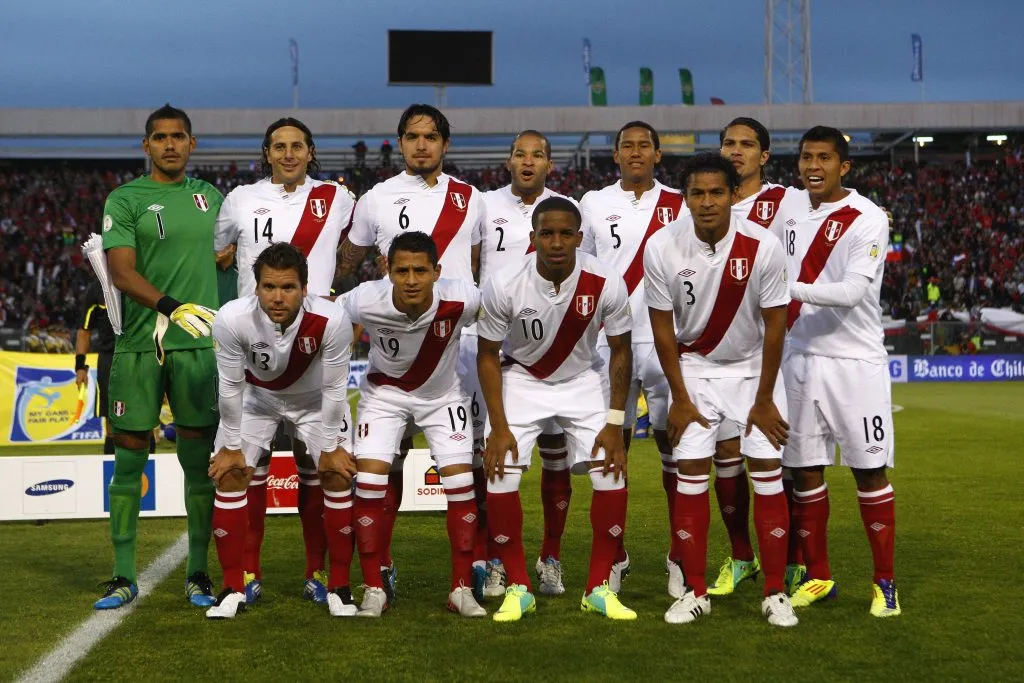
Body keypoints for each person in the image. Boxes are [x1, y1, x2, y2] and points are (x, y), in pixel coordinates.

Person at [335, 104, 485, 602]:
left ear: (445, 143)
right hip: (395, 343)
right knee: (386, 463)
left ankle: (478, 565)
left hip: (455, 345)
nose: (422, 144)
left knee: (470, 464)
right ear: (400, 142)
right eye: (413, 136)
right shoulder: (376, 198)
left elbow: (478, 267)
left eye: (431, 136)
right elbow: (346, 264)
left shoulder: (471, 198)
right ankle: (381, 567)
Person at [645, 153, 795, 626]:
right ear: (685, 198)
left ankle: (775, 593)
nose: (707, 202)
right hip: (694, 370)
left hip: (754, 372)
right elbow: (662, 328)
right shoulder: (661, 246)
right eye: (697, 193)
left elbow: (776, 326)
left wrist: (765, 398)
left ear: (733, 195)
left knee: (767, 472)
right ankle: (695, 591)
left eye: (716, 192)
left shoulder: (764, 246)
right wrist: (679, 396)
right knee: (690, 472)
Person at [214, 117, 356, 603]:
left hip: (312, 349)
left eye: (298, 146)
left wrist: (333, 296)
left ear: (311, 152)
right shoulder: (239, 199)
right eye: (280, 146)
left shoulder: (338, 198)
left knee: (318, 469)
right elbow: (216, 252)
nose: (289, 154)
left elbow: (355, 249)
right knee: (243, 469)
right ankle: (246, 575)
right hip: (254, 351)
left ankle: (319, 574)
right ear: (267, 153)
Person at [478, 196, 636, 622]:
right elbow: (487, 354)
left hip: (584, 379)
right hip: (522, 379)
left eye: (566, 234)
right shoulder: (504, 281)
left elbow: (622, 351)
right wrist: (499, 427)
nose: (556, 242)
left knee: (611, 473)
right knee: (500, 474)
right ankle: (519, 588)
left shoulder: (606, 279)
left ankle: (598, 588)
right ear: (532, 238)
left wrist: (615, 423)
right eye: (546, 233)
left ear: (580, 238)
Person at [95, 104, 222, 610]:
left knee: (198, 467)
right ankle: (122, 575)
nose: (170, 144)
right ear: (146, 145)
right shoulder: (125, 199)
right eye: (161, 137)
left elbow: (234, 259)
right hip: (140, 347)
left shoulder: (212, 198)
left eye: (179, 136)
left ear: (192, 143)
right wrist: (172, 307)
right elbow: (121, 272)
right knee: (128, 462)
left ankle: (198, 572)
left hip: (199, 348)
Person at [774, 126, 900, 618]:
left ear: (843, 166)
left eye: (824, 158)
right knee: (805, 469)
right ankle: (819, 576)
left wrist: (785, 288)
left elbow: (851, 292)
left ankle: (885, 583)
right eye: (807, 156)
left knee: (869, 470)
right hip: (798, 358)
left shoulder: (867, 217)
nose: (814, 166)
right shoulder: (788, 205)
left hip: (854, 362)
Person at [205, 243, 356, 619]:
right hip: (256, 400)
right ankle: (233, 587)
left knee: (337, 475)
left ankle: (337, 585)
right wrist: (231, 446)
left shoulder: (332, 319)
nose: (277, 297)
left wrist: (332, 446)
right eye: (269, 287)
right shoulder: (232, 318)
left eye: (288, 287)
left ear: (305, 288)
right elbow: (230, 386)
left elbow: (336, 388)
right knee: (230, 474)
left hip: (314, 402)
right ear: (255, 288)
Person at [344, 231, 484, 618]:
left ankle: (461, 589)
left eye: (420, 271)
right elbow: (329, 323)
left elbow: (496, 329)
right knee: (369, 481)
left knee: (461, 483)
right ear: (387, 270)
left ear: (437, 271)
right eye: (402, 270)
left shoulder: (465, 298)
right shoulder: (364, 299)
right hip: (384, 398)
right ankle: (373, 588)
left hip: (443, 398)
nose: (410, 280)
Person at [703, 117, 807, 597]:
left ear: (764, 156)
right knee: (725, 455)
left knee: (780, 461)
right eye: (729, 142)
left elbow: (830, 209)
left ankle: (792, 561)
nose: (736, 150)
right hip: (718, 351)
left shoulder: (786, 201)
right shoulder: (705, 203)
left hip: (774, 350)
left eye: (747, 144)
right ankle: (742, 554)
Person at [579, 121, 681, 595]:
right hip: (610, 342)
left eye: (644, 146)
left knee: (674, 451)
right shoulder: (593, 203)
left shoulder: (680, 202)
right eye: (627, 146)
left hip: (667, 342)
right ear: (615, 154)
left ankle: (680, 555)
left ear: (658, 154)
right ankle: (613, 555)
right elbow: (582, 268)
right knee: (610, 448)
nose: (636, 152)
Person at [477, 130, 578, 598]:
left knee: (556, 456)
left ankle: (550, 557)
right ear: (509, 160)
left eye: (537, 155)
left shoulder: (566, 208)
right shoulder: (483, 206)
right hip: (496, 346)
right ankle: (496, 560)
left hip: (553, 349)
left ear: (549, 164)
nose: (528, 161)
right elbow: (473, 264)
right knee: (496, 457)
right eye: (520, 153)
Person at [75, 279, 116, 454]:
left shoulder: (142, 279)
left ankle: (149, 467)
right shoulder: (96, 289)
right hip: (109, 358)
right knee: (111, 418)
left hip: (140, 354)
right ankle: (111, 465)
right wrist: (80, 367)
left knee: (146, 418)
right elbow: (84, 331)